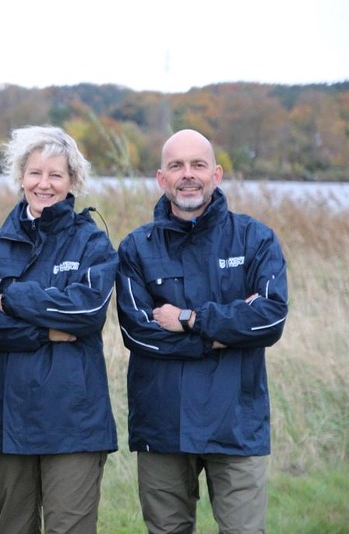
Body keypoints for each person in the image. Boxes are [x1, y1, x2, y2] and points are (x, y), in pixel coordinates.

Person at [115, 129, 289, 533]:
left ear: (217, 174)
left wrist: (191, 320)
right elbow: (139, 334)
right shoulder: (136, 248)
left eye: (197, 165)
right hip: (162, 425)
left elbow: (270, 318)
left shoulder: (255, 239)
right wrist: (226, 333)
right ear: (162, 178)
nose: (187, 174)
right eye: (176, 166)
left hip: (237, 421)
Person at [0, 125, 118, 533]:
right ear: (21, 177)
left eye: (55, 175)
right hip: (6, 419)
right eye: (35, 173)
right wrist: (43, 332)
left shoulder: (92, 244)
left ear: (73, 182)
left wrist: (12, 298)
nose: (44, 184)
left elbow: (86, 313)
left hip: (74, 422)